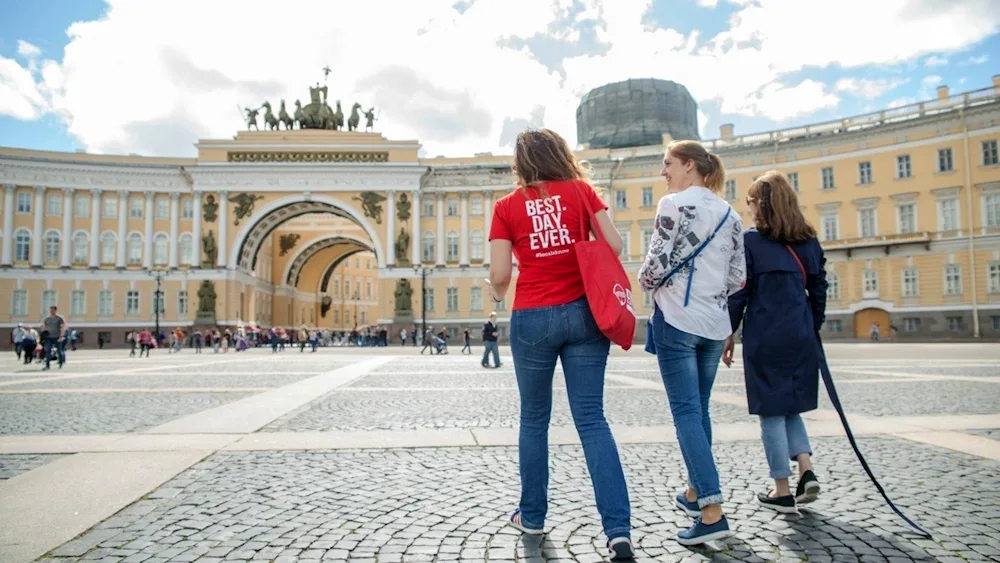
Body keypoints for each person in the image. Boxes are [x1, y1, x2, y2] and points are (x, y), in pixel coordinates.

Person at [487, 128, 633, 560]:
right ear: (560, 155)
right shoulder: (582, 191)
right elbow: (615, 245)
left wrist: (497, 295)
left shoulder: (506, 207)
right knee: (592, 419)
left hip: (532, 316)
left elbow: (499, 275)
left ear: (519, 162)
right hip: (586, 312)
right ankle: (618, 531)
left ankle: (531, 515)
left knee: (534, 419)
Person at [638, 140, 745, 545]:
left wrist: (645, 282)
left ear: (688, 165)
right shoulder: (731, 214)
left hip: (679, 321)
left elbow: (657, 263)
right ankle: (696, 491)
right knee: (699, 413)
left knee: (686, 414)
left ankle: (712, 511)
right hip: (715, 325)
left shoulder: (673, 205)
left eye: (667, 164)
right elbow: (738, 277)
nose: (663, 172)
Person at [724, 170, 827, 513]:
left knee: (770, 411)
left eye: (752, 202)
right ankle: (806, 470)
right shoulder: (809, 241)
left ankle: (782, 488)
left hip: (766, 337)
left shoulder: (752, 242)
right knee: (791, 405)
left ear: (763, 205)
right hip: (800, 334)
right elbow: (819, 289)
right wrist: (811, 327)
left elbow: (740, 292)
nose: (750, 208)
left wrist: (729, 331)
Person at [40, 306, 66, 370]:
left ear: (55, 310)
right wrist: (43, 334)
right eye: (50, 310)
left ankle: (60, 363)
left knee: (59, 351)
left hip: (57, 337)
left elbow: (62, 327)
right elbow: (45, 327)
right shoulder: (47, 319)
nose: (51, 312)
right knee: (47, 351)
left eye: (52, 310)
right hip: (49, 337)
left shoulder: (59, 318)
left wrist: (61, 336)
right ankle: (47, 365)